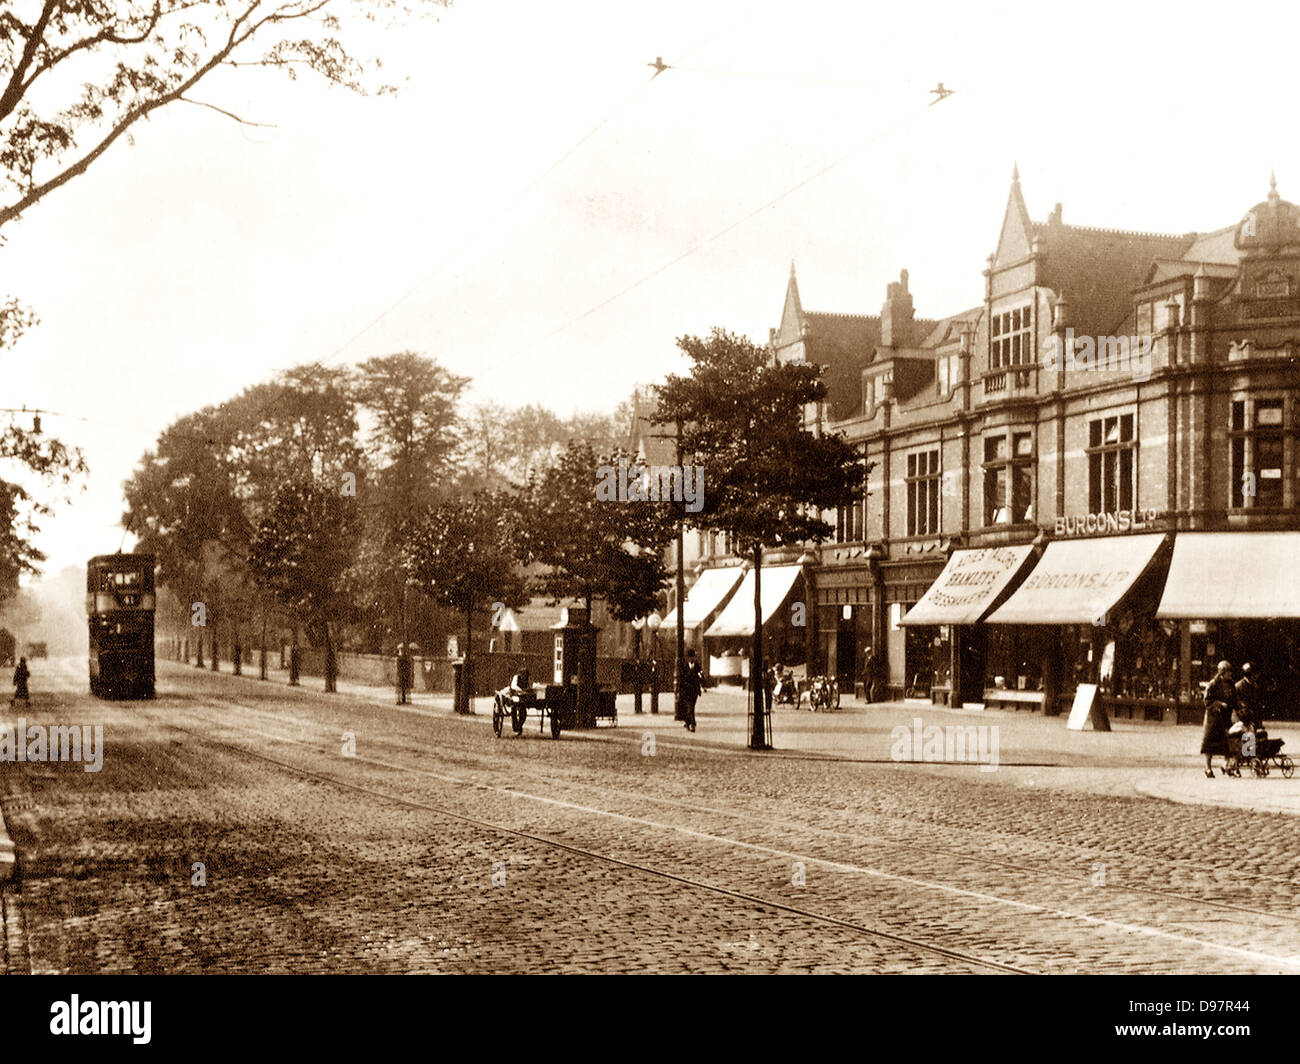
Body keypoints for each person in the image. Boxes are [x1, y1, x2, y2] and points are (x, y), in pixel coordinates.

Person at [1201, 660, 1235, 777]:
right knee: (1209, 745)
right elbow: (1207, 701)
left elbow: (1233, 699)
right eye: (1228, 672)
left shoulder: (1231, 684)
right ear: (1222, 672)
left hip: (1225, 718)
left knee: (1228, 743)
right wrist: (1219, 704)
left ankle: (1226, 766)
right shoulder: (1213, 684)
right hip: (1213, 719)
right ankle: (1208, 768)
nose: (1230, 674)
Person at [678, 649, 704, 732]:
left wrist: (703, 684)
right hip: (686, 690)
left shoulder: (697, 666)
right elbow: (681, 679)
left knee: (691, 707)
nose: (691, 659)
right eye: (690, 657)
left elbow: (702, 677)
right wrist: (679, 690)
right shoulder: (684, 666)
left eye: (693, 657)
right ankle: (692, 724)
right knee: (690, 707)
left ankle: (687, 722)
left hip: (694, 690)